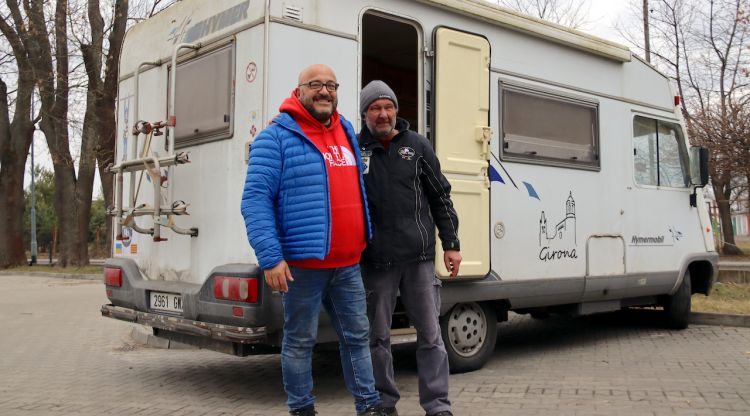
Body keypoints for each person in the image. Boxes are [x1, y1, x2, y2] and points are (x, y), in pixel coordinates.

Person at [241, 65, 384, 416]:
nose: (325, 91)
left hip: (348, 263)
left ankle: (369, 407)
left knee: (357, 340)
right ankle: (302, 409)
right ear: (299, 90)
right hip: (303, 268)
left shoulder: (346, 129)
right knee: (300, 342)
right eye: (316, 85)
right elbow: (255, 200)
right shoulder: (274, 138)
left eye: (331, 85)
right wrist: (270, 257)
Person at [358, 80, 461, 416]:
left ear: (397, 111)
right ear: (364, 114)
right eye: (375, 108)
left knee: (430, 337)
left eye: (388, 107)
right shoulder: (355, 150)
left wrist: (452, 244)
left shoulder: (416, 146)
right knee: (377, 339)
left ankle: (437, 405)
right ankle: (383, 404)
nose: (383, 114)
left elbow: (440, 195)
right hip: (375, 261)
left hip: (418, 259)